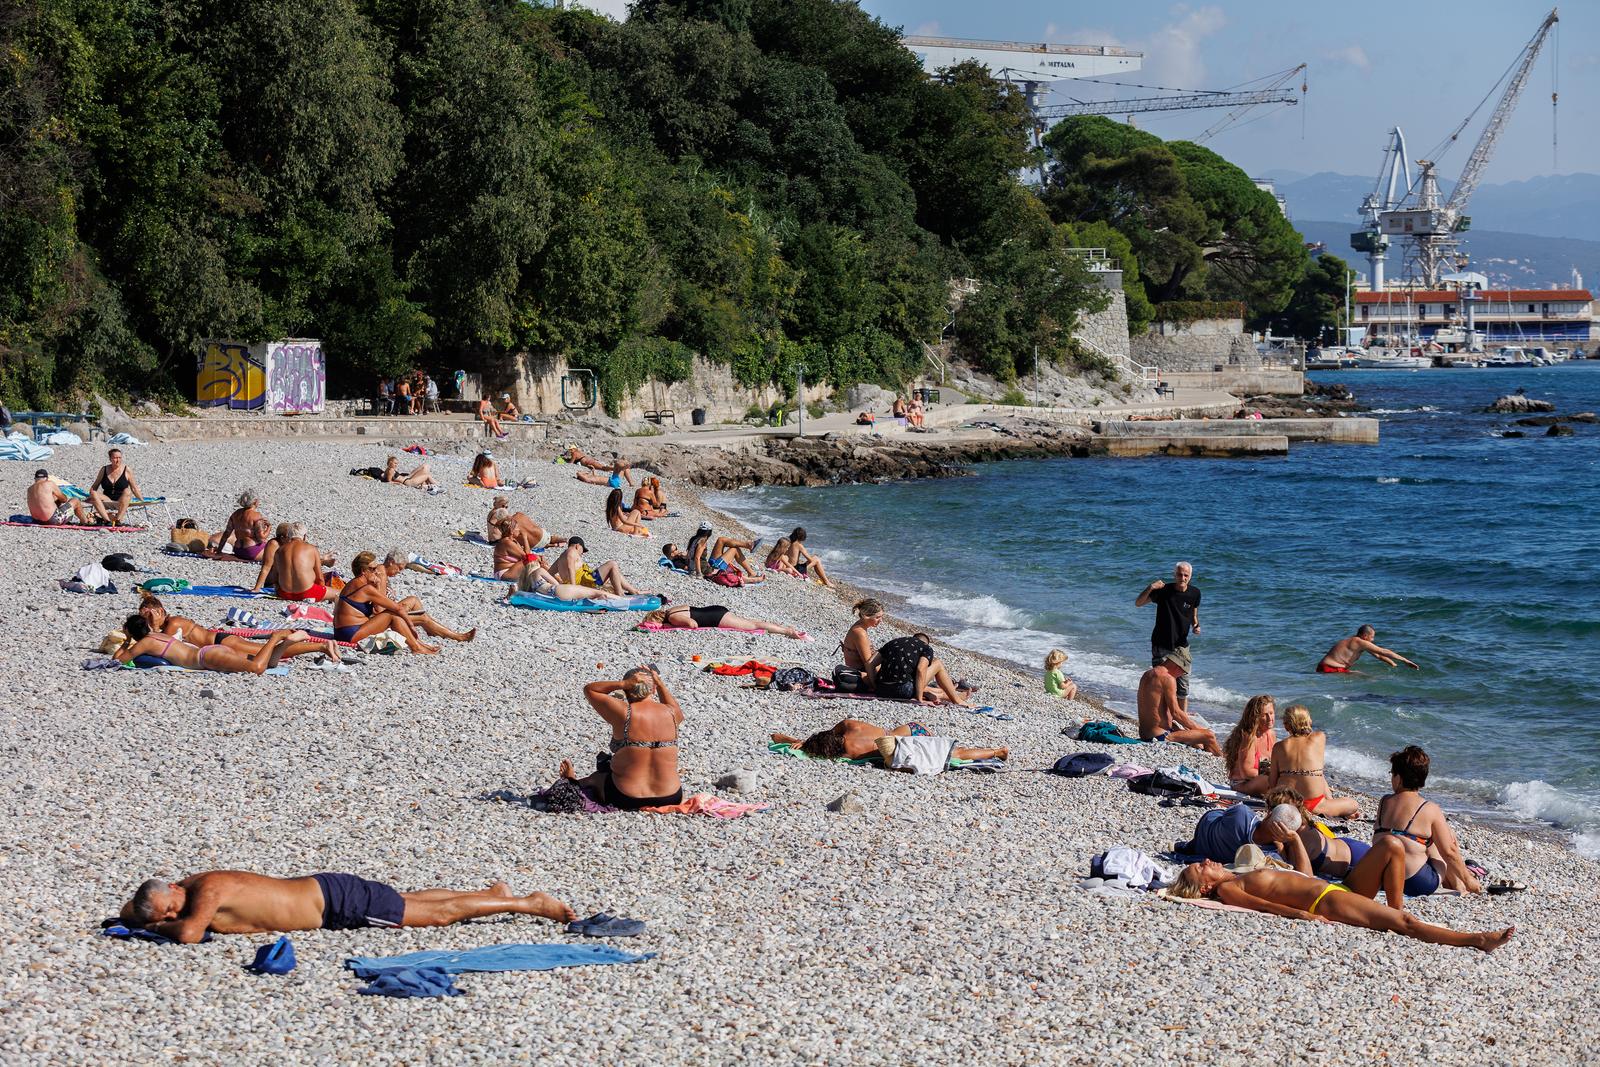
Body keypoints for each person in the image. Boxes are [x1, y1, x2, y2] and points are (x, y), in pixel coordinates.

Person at [119, 871, 574, 941]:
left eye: (169, 909)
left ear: (175, 889)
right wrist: (140, 917)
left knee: (435, 915)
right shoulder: (194, 887)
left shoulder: (207, 891)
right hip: (326, 892)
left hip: (334, 904)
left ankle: (527, 904)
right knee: (408, 901)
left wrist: (153, 929)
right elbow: (135, 911)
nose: (174, 917)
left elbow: (190, 934)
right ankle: (494, 896)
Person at [1167, 861, 1513, 952]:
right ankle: (1477, 939)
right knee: (1403, 922)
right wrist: (1301, 914)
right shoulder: (1228, 891)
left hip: (1330, 892)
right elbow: (1261, 906)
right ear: (1205, 886)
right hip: (1325, 900)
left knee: (1399, 921)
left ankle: (1474, 938)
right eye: (1202, 867)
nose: (1209, 861)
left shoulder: (1234, 876)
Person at [1364, 745, 1482, 902]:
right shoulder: (1429, 808)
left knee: (1414, 836)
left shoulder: (1384, 801)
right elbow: (1449, 852)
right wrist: (1469, 880)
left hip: (1383, 879)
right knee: (1445, 836)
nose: (1391, 778)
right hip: (1416, 882)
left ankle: (1458, 880)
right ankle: (1460, 884)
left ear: (1398, 778)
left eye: (1392, 774)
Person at [559, 667, 684, 810]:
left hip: (627, 797)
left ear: (626, 691)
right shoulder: (673, 714)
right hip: (671, 796)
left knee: (596, 778)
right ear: (654, 690)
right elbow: (673, 706)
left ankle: (574, 782)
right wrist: (660, 683)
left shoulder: (624, 712)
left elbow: (590, 689)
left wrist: (623, 684)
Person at [136, 594, 339, 663]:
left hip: (221, 641)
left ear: (161, 611)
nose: (148, 621)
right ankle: (320, 646)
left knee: (265, 654)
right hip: (219, 643)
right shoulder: (169, 624)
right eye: (145, 618)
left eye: (151, 615)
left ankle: (320, 646)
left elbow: (167, 644)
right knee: (267, 655)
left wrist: (153, 627)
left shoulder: (173, 623)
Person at [115, 616, 299, 674]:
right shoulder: (157, 635)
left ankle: (275, 638)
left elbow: (119, 660)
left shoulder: (146, 643)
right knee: (270, 664)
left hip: (205, 658)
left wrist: (126, 640)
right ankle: (284, 645)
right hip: (211, 651)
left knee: (256, 668)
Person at [1266, 704, 1360, 817]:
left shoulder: (1279, 746)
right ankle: (1330, 803)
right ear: (1308, 721)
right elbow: (1318, 770)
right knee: (1353, 804)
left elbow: (1272, 782)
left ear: (1286, 726)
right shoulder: (1319, 737)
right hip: (1313, 804)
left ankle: (1328, 801)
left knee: (1316, 773)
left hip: (1285, 802)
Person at [334, 553, 441, 652]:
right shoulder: (366, 589)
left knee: (397, 612)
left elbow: (377, 609)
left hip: (343, 632)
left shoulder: (355, 583)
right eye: (373, 569)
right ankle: (417, 647)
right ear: (363, 571)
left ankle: (419, 645)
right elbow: (393, 608)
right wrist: (411, 626)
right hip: (350, 634)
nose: (376, 571)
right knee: (393, 615)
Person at [772, 720, 1007, 764]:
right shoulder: (848, 725)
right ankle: (996, 750)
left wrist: (800, 744)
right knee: (955, 751)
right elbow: (829, 732)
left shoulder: (850, 753)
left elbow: (776, 739)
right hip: (912, 728)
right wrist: (805, 740)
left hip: (905, 746)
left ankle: (997, 752)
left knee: (957, 754)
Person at [1263, 788, 1371, 882]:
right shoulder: (1302, 823)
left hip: (1354, 862)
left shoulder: (1298, 837)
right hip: (1346, 846)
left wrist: (1281, 846)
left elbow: (1303, 877)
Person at [1135, 562, 1201, 711]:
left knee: (1183, 689)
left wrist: (1196, 625)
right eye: (1179, 574)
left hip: (1182, 647)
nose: (1182, 578)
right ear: (1174, 574)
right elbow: (1138, 603)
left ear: (1190, 576)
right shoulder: (1164, 591)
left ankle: (1181, 722)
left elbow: (1193, 613)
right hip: (1161, 645)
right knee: (1162, 686)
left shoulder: (1195, 593)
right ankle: (1162, 720)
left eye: (1186, 575)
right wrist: (1151, 587)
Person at [1135, 648, 1221, 755]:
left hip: (1145, 734)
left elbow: (1154, 707)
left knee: (1196, 740)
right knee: (1209, 735)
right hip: (1159, 737)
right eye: (1183, 671)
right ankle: (1226, 762)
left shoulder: (1147, 674)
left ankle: (1212, 755)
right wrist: (1199, 729)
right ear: (1177, 665)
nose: (1181, 675)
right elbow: (1175, 713)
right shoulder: (1168, 678)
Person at [376, 549, 475, 642]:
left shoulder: (382, 571)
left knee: (413, 600)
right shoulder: (381, 574)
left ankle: (431, 628)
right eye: (399, 568)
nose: (399, 572)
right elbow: (379, 608)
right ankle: (458, 637)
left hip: (387, 612)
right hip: (380, 618)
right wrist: (398, 610)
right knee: (422, 618)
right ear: (391, 562)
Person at [870, 633, 973, 706]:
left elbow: (870, 663)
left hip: (881, 690)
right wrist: (919, 700)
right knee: (937, 664)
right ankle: (957, 700)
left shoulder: (893, 643)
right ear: (926, 643)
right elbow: (920, 669)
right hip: (903, 690)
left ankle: (943, 695)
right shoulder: (925, 648)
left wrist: (875, 686)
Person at [253, 523, 338, 601]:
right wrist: (321, 590)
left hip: (284, 593)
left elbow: (276, 577)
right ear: (304, 536)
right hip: (306, 593)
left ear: (289, 535)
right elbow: (319, 578)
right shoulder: (312, 548)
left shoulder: (279, 550)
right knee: (339, 594)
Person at [546, 538, 650, 596]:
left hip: (581, 582)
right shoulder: (572, 551)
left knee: (614, 571)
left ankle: (634, 591)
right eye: (582, 550)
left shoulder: (560, 559)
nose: (582, 554)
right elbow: (571, 569)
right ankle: (620, 595)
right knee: (612, 564)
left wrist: (557, 584)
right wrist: (574, 589)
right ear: (578, 545)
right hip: (584, 582)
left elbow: (549, 573)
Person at [641, 605, 804, 639]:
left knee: (753, 626)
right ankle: (782, 628)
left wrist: (669, 626)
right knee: (751, 622)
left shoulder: (672, 618)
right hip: (714, 610)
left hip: (717, 618)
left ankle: (787, 632)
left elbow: (693, 625)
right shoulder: (672, 609)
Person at [1222, 694, 1277, 795]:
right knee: (1270, 782)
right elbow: (1246, 773)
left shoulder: (1271, 734)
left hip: (1260, 779)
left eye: (1271, 713)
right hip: (1242, 783)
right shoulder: (1249, 738)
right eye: (1264, 715)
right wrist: (1274, 776)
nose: (1270, 718)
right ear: (1255, 717)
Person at [1317, 625, 1421, 674]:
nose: (1373, 639)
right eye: (1372, 637)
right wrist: (1406, 660)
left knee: (1361, 675)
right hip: (1330, 668)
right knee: (1364, 677)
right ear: (1365, 636)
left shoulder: (1357, 642)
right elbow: (1383, 651)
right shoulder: (1359, 642)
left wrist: (1392, 664)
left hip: (1326, 667)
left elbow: (1379, 655)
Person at [87, 447, 145, 526]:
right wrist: (90, 495)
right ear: (110, 459)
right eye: (115, 458)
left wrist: (142, 501)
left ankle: (118, 520)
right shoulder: (104, 469)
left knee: (128, 491)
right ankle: (107, 520)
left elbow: (134, 488)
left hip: (121, 499)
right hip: (107, 498)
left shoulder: (126, 470)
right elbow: (95, 485)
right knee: (93, 493)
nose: (118, 460)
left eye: (119, 458)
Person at [209, 490, 270, 560]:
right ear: (255, 501)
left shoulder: (235, 514)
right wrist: (269, 527)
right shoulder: (256, 516)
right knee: (273, 548)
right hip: (251, 551)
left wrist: (219, 551)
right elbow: (262, 538)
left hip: (237, 550)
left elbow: (226, 534)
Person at [487, 498, 564, 553]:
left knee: (543, 542)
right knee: (549, 538)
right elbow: (533, 524)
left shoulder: (508, 531)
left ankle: (552, 544)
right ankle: (563, 541)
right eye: (505, 506)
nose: (506, 508)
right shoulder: (519, 515)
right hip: (543, 534)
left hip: (535, 544)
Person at [840, 599, 885, 690]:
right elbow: (869, 663)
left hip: (860, 670)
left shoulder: (859, 626)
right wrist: (874, 686)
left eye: (881, 617)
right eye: (877, 617)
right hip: (860, 673)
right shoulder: (860, 633)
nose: (880, 620)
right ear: (865, 616)